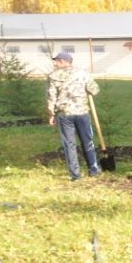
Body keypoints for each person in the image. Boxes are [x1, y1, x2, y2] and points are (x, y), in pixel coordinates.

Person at [46, 51, 101, 180]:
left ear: (64, 61)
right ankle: (93, 170)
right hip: (82, 112)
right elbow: (95, 90)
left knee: (69, 144)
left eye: (57, 61)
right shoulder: (82, 73)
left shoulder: (53, 76)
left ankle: (75, 175)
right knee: (87, 141)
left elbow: (51, 96)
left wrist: (51, 114)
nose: (56, 63)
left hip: (65, 114)